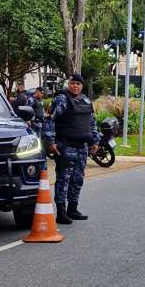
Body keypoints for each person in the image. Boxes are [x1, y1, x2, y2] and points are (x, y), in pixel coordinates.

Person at [42, 73, 100, 224]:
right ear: (69, 84)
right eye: (73, 83)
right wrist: (51, 141)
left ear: (82, 86)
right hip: (66, 146)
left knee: (77, 179)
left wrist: (95, 141)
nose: (75, 86)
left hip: (82, 147)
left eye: (78, 84)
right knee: (63, 179)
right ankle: (61, 212)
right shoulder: (61, 99)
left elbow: (92, 123)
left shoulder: (86, 101)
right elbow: (50, 120)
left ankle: (73, 209)